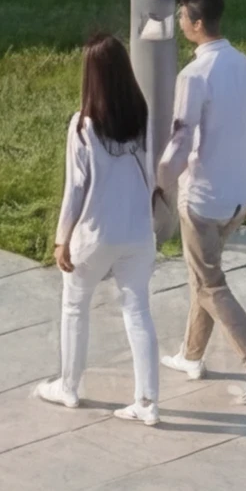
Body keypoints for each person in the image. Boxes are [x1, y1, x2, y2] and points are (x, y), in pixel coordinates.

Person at [164, 0, 246, 403]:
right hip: (236, 197)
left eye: (182, 17)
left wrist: (160, 181)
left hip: (200, 200)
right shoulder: (245, 66)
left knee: (210, 283)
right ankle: (191, 355)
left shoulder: (193, 76)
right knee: (203, 275)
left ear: (196, 24)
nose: (179, 23)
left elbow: (180, 140)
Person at [39, 35, 161, 424]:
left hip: (95, 234)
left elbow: (75, 189)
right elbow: (151, 169)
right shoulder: (141, 116)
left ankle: (69, 387)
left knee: (75, 306)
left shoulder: (83, 126)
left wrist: (62, 239)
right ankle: (147, 402)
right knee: (138, 310)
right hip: (139, 232)